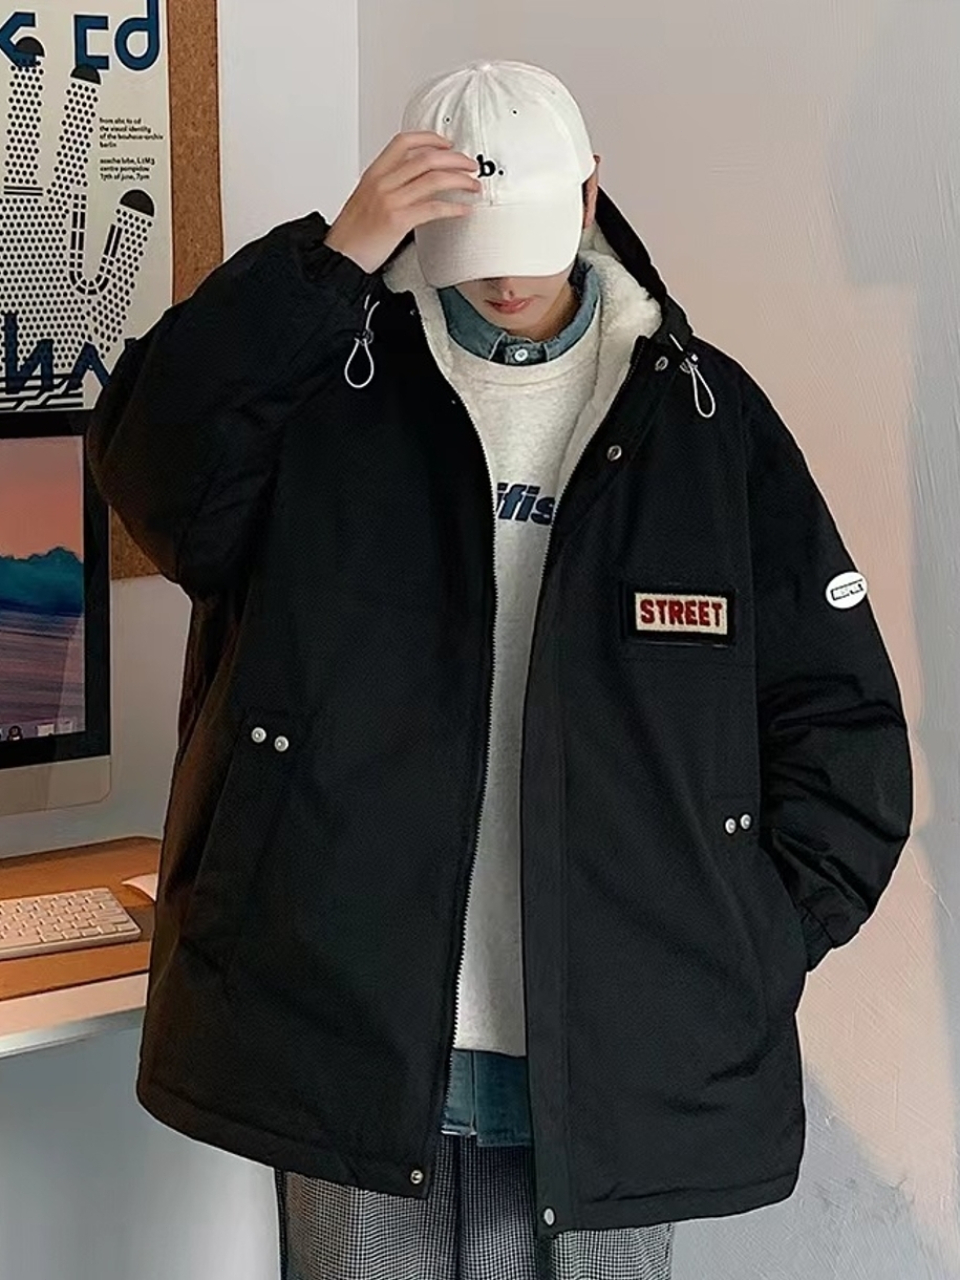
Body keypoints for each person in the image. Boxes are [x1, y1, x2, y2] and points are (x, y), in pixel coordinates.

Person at [87, 59, 912, 1280]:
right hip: (343, 1037)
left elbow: (843, 732)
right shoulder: (325, 385)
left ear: (589, 198)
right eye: (476, 242)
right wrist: (327, 259)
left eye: (533, 235)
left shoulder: (702, 420)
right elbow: (153, 478)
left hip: (621, 1066)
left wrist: (741, 944)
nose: (513, 279)